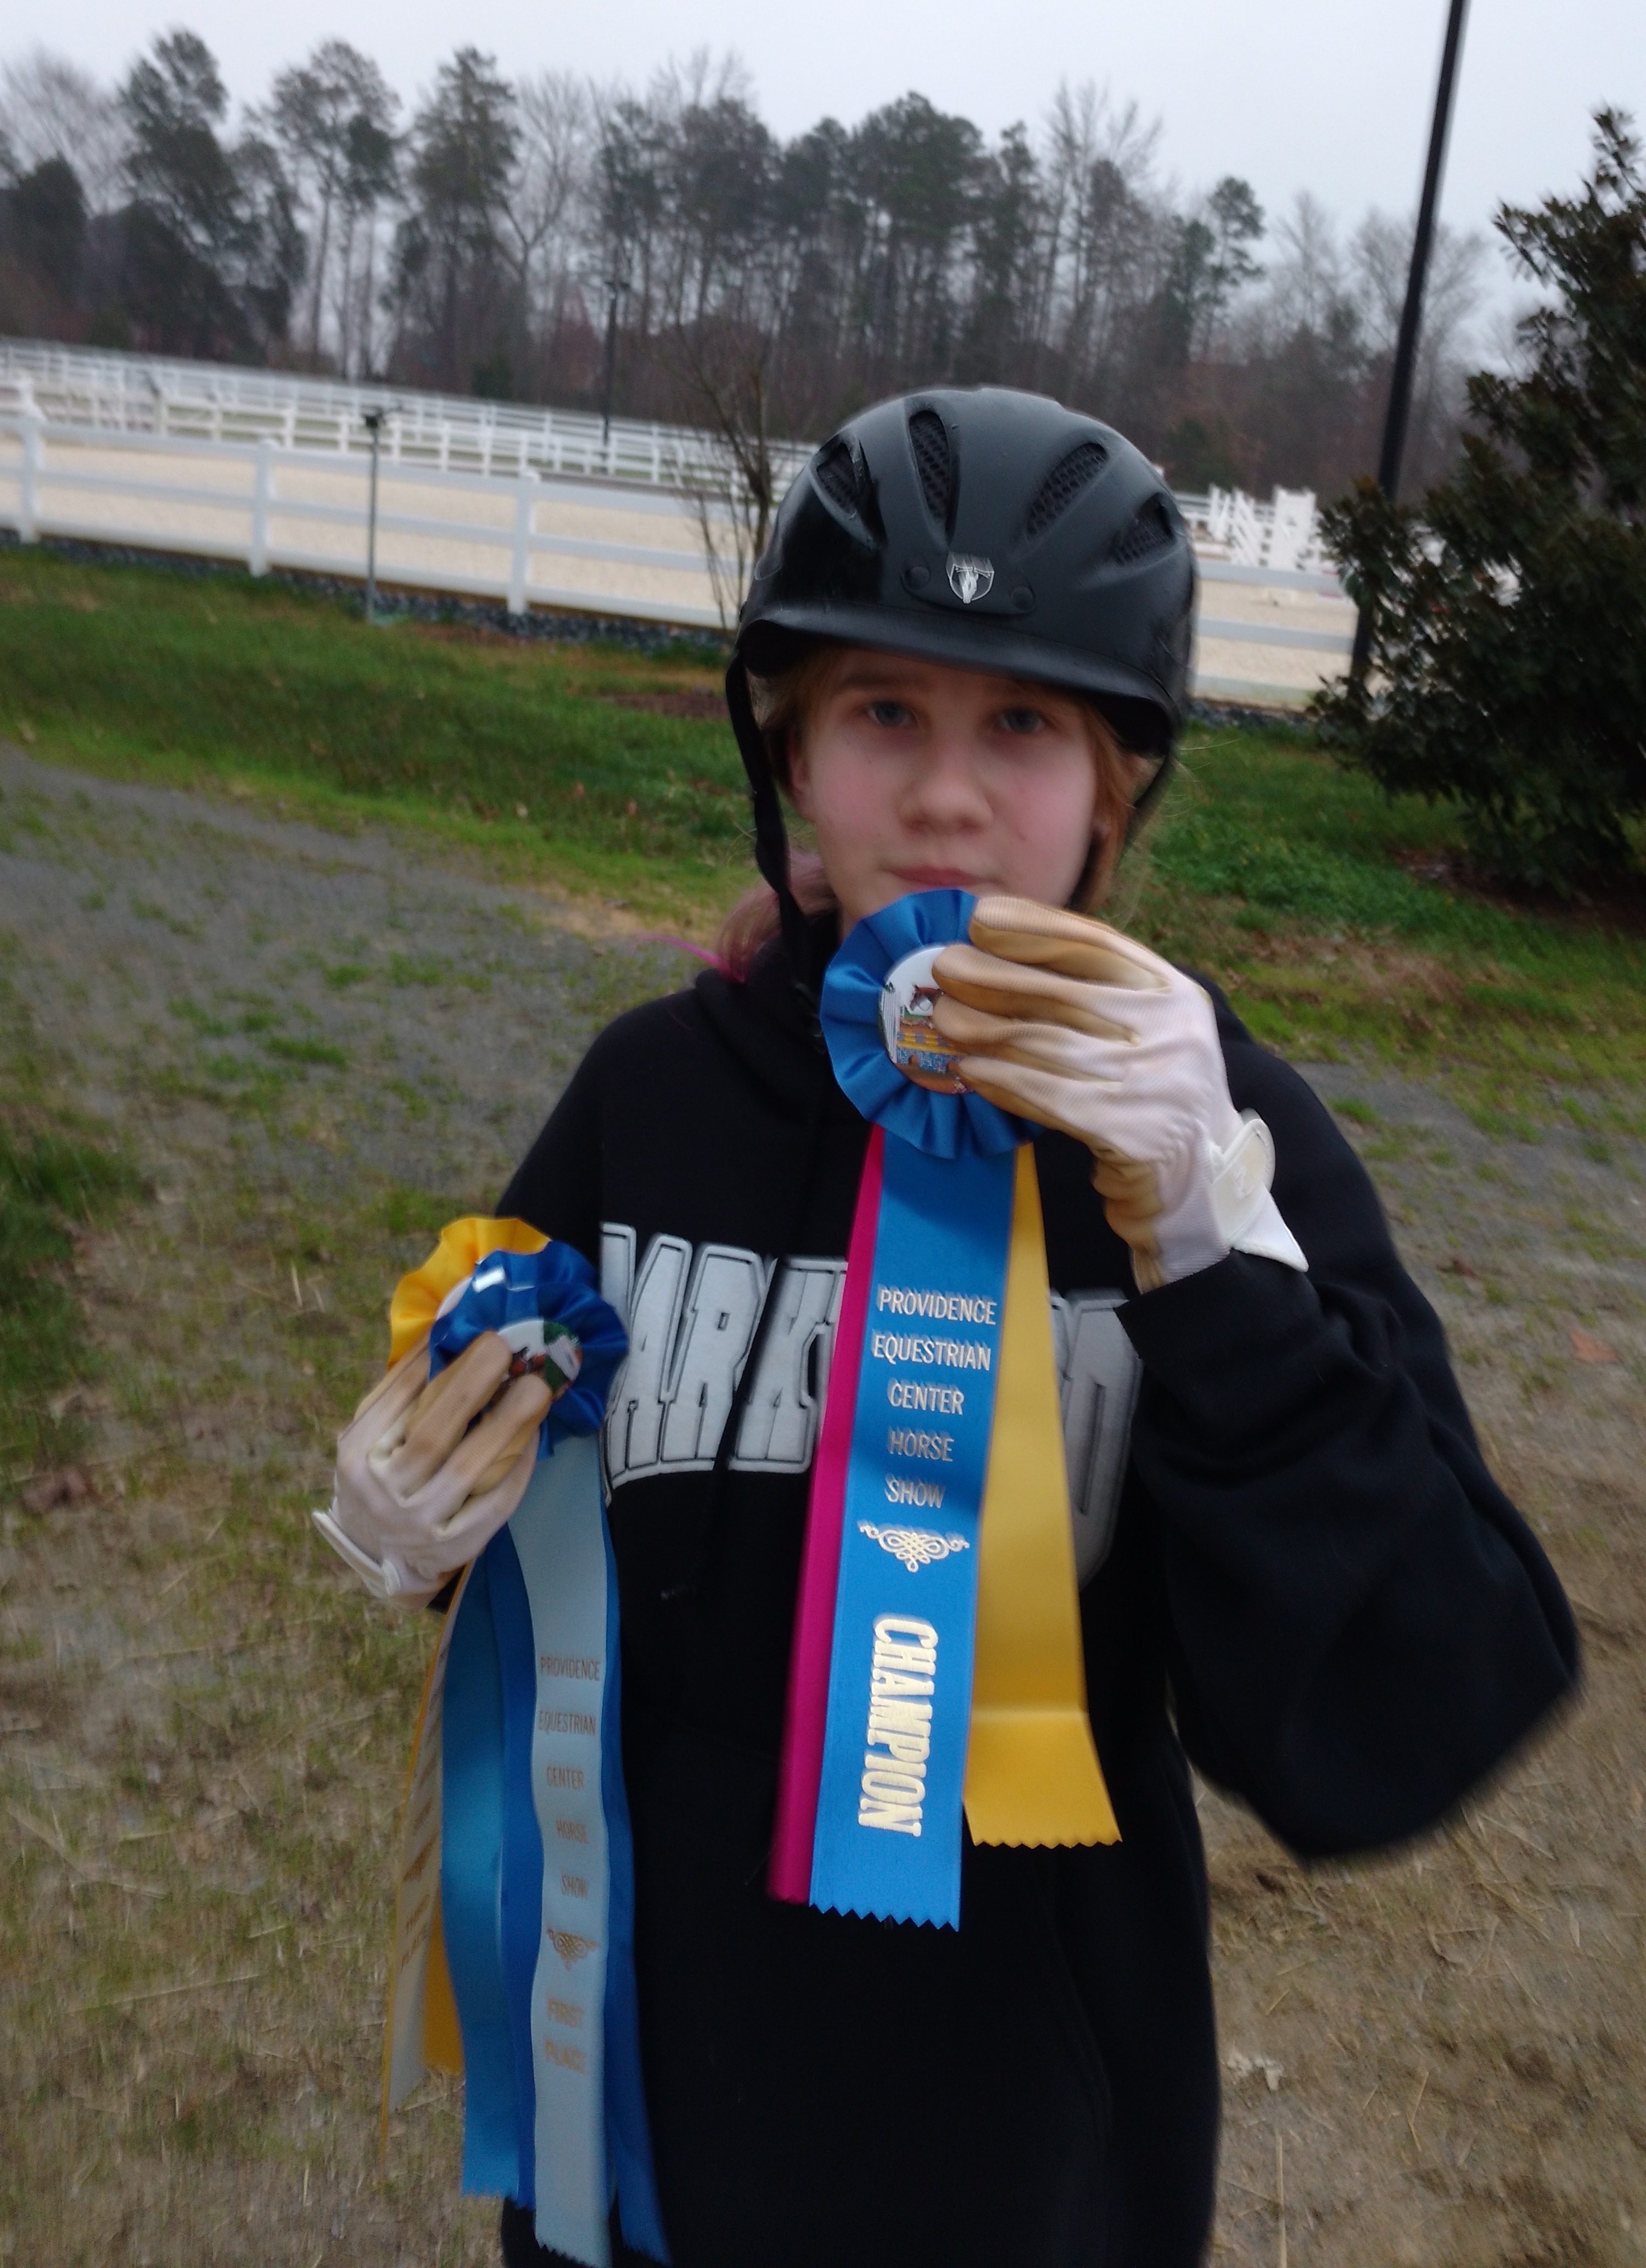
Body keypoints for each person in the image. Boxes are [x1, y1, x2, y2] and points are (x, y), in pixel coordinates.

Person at [323, 386, 1577, 2268]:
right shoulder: (656, 1093)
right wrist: (410, 1525)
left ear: (1116, 785)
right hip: (642, 2120)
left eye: (1024, 725)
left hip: (1022, 2170)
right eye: (885, 711)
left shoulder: (1221, 1137)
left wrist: (1218, 1256)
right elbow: (523, 1485)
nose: (946, 793)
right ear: (793, 751)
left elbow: (1417, 1708)